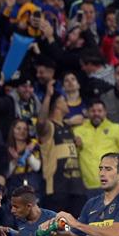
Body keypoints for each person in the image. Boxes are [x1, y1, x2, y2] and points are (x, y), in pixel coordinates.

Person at [38, 80, 85, 216]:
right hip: (56, 189)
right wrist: (48, 96)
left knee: (76, 233)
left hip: (76, 188)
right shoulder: (49, 127)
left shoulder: (67, 127)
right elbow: (40, 122)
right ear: (57, 104)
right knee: (54, 233)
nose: (67, 103)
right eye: (64, 100)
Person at [73, 99, 119, 195]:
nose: (96, 114)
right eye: (93, 111)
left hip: (112, 185)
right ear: (87, 113)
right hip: (87, 186)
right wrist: (76, 146)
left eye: (99, 111)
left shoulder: (116, 129)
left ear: (105, 112)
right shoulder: (78, 131)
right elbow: (73, 155)